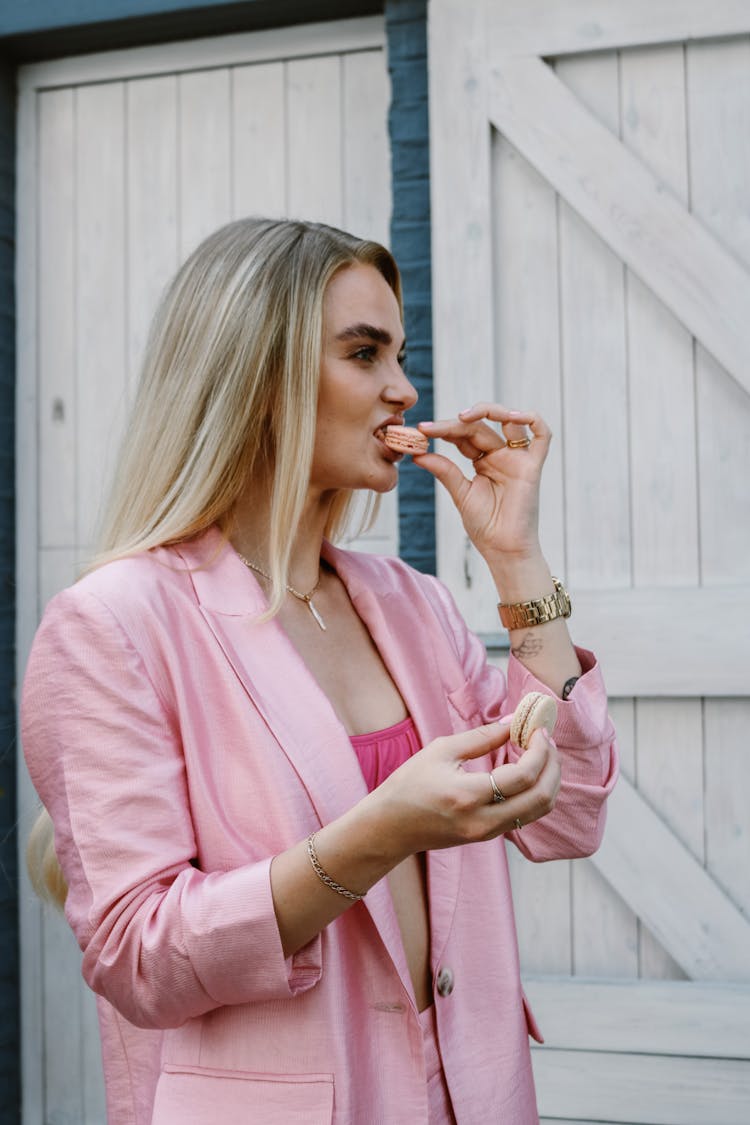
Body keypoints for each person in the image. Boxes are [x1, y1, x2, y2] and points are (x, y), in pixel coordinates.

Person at [22, 217, 617, 1125]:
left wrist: (516, 559)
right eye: (364, 353)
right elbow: (139, 957)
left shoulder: (412, 605)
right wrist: (373, 834)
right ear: (256, 376)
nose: (405, 389)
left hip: (474, 1094)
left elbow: (567, 813)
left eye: (400, 354)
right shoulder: (113, 623)